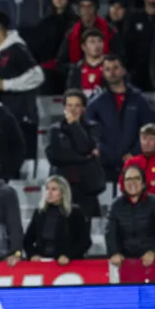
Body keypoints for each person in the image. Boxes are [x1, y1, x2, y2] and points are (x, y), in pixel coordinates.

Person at [0, 11, 45, 163]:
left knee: (23, 161)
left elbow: (37, 75)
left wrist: (5, 84)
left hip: (23, 114)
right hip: (8, 113)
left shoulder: (16, 47)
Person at [86, 55, 154, 183]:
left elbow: (149, 130)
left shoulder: (139, 100)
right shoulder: (96, 103)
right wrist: (101, 151)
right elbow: (90, 132)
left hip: (134, 164)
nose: (112, 72)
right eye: (107, 69)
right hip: (105, 165)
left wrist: (134, 153)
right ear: (103, 72)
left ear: (123, 70)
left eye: (115, 68)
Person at [46, 89, 104, 220]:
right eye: (69, 105)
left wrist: (74, 125)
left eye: (77, 105)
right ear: (64, 107)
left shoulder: (93, 128)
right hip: (61, 188)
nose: (73, 109)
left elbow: (84, 147)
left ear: (84, 108)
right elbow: (55, 157)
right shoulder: (55, 129)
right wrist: (85, 158)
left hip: (86, 189)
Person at [106, 164, 155, 267]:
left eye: (137, 178)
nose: (132, 182)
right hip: (125, 263)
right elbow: (110, 234)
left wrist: (154, 252)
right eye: (128, 179)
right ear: (123, 184)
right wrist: (114, 253)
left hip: (154, 262)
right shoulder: (116, 205)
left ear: (143, 183)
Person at [23, 176, 91, 263]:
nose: (49, 192)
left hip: (67, 265)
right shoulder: (39, 213)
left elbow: (85, 242)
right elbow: (27, 240)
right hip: (42, 263)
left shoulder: (74, 213)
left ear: (63, 193)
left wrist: (68, 256)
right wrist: (32, 254)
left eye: (54, 189)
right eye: (47, 189)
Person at [120, 125, 155, 210]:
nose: (146, 142)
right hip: (133, 208)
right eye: (144, 138)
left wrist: (137, 187)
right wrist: (150, 183)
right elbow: (123, 186)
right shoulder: (131, 162)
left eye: (151, 139)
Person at [66, 28, 108, 102]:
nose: (97, 45)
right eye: (92, 42)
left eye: (100, 41)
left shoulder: (112, 66)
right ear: (83, 47)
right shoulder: (77, 69)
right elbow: (71, 94)